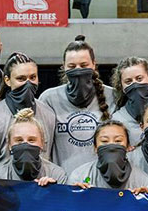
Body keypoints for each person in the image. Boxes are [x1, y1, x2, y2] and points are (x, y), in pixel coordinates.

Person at [39, 35, 114, 173]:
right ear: (64, 67)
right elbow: (42, 147)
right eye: (72, 66)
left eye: (84, 65)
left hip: (102, 180)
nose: (78, 70)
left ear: (94, 64)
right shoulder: (49, 98)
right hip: (63, 181)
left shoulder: (113, 96)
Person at [0, 52, 56, 166]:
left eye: (32, 77)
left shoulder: (48, 113)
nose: (28, 83)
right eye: (21, 79)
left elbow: (49, 157)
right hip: (3, 177)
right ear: (7, 80)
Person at [69, 119, 148, 191]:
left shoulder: (143, 181)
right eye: (104, 141)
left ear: (128, 146)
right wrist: (74, 194)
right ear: (95, 147)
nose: (111, 146)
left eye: (118, 141)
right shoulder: (79, 176)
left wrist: (147, 198)